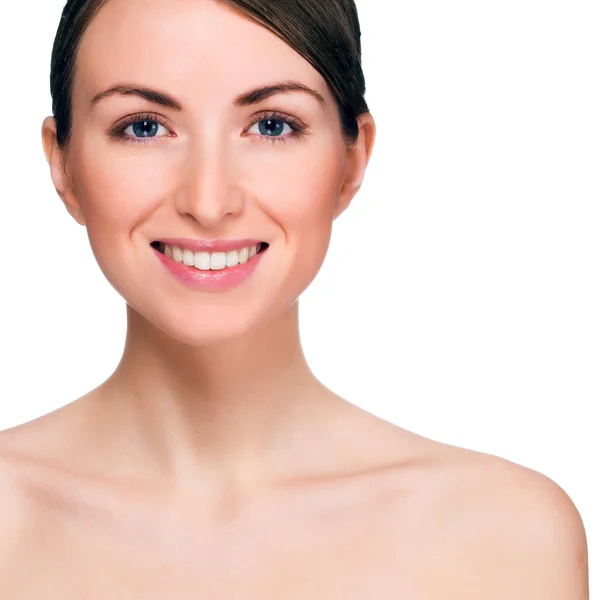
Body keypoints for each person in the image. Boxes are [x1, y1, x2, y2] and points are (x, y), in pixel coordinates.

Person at [0, 0, 588, 596]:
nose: (208, 201)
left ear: (351, 161)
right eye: (145, 126)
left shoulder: (506, 538)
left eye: (272, 125)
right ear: (63, 165)